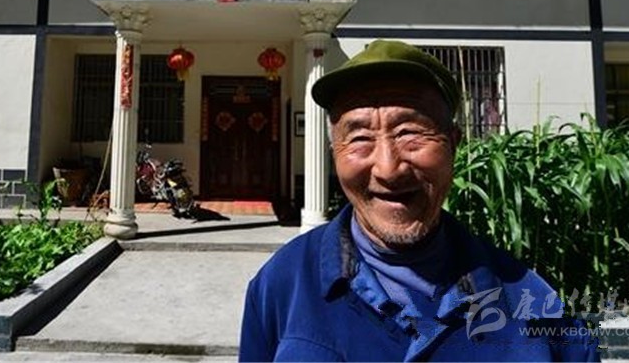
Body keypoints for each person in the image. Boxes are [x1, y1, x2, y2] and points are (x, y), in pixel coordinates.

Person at [239, 40, 599, 362]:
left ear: (453, 143)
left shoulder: (534, 308)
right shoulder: (283, 284)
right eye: (360, 137)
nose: (388, 169)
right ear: (334, 152)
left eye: (409, 132)